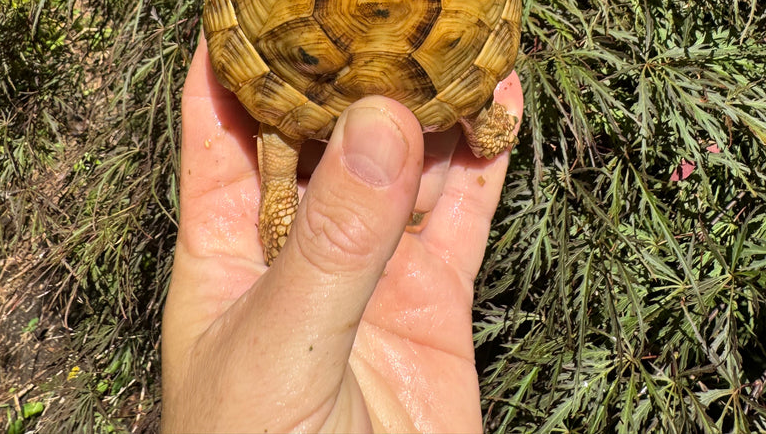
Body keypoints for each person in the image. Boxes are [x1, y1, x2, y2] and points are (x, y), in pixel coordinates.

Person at [161, 33, 523, 433]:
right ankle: (475, 106)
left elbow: (278, 123)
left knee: (279, 134)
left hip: (299, 63)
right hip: (441, 55)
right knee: (479, 113)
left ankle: (280, 202)